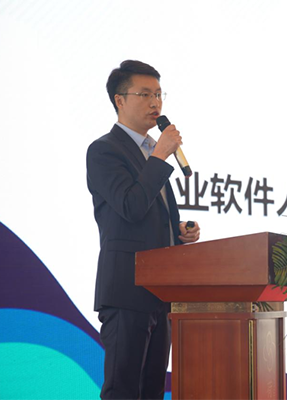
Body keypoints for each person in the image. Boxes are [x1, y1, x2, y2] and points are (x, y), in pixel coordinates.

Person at [86, 59, 200, 400]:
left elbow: (147, 214)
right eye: (145, 94)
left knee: (152, 391)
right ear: (120, 100)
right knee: (123, 390)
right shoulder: (105, 150)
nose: (156, 103)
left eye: (159, 94)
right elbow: (130, 206)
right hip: (126, 290)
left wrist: (177, 230)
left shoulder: (152, 152)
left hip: (160, 294)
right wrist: (160, 156)